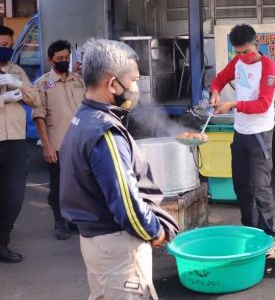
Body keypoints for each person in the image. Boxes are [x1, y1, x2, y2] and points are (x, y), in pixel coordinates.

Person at [59, 39, 165, 299]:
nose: (137, 87)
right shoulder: (105, 131)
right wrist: (154, 229)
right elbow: (126, 202)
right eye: (134, 79)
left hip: (97, 244)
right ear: (112, 83)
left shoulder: (83, 118)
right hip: (118, 248)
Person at [210, 24, 275, 240]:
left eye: (246, 52)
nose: (242, 57)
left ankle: (268, 236)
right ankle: (249, 230)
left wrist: (232, 105)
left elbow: (263, 104)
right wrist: (215, 92)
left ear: (256, 44)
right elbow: (219, 79)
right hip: (240, 133)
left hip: (260, 134)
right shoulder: (238, 62)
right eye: (237, 53)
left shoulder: (268, 68)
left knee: (260, 189)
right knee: (241, 187)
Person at [33, 40, 85, 240]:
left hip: (80, 144)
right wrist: (47, 146)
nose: (64, 61)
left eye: (66, 58)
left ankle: (73, 220)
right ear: (50, 59)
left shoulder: (78, 80)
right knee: (58, 186)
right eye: (59, 59)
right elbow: (39, 117)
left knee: (79, 184)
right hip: (58, 144)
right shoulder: (43, 84)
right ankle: (59, 221)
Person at [0, 25, 40, 263]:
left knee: (12, 196)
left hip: (15, 142)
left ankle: (3, 244)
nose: (5, 49)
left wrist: (19, 85)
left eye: (8, 45)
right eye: (1, 45)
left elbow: (35, 99)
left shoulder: (16, 70)